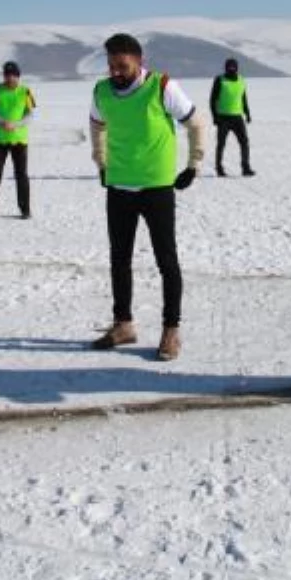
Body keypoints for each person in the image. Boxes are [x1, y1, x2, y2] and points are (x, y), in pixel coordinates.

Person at [89, 33, 204, 361]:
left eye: (122, 65)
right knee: (119, 259)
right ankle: (123, 325)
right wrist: (101, 162)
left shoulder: (162, 86)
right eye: (111, 65)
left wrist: (193, 164)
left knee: (166, 260)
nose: (116, 72)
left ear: (139, 61)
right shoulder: (102, 91)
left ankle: (171, 331)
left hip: (157, 187)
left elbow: (196, 123)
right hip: (120, 186)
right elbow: (97, 126)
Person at [0, 61, 35, 219]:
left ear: (18, 76)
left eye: (13, 75)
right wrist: (0, 122)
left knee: (22, 176)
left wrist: (17, 124)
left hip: (19, 140)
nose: (10, 78)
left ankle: (25, 209)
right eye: (7, 75)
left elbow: (30, 114)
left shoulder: (25, 92)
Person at [209, 57, 254, 176]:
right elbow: (213, 100)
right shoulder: (220, 80)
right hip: (223, 118)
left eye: (233, 67)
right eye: (229, 67)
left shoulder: (241, 80)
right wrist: (215, 117)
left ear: (237, 68)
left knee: (244, 142)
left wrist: (247, 113)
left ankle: (246, 167)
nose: (231, 69)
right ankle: (219, 168)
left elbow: (243, 98)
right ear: (225, 68)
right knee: (221, 143)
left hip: (237, 118)